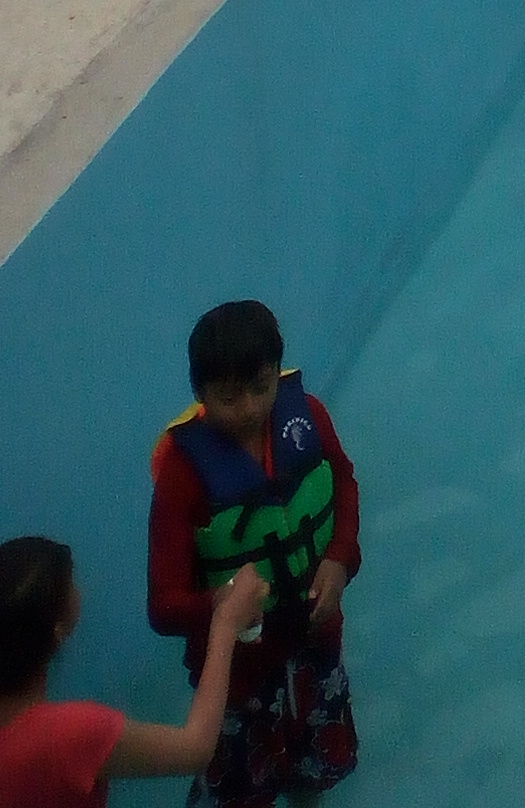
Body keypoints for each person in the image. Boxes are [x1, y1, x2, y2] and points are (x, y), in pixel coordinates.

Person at [144, 299, 361, 805]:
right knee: (241, 790)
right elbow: (163, 606)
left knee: (314, 767)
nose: (247, 410)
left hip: (316, 639)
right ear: (199, 394)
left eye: (260, 389)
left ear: (277, 375)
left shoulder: (309, 420)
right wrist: (222, 606)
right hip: (238, 678)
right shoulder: (183, 476)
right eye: (227, 397)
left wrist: (339, 559)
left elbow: (343, 485)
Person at [0, 540, 265, 803]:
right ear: (57, 631)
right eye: (70, 583)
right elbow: (195, 750)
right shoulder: (71, 736)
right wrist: (225, 624)